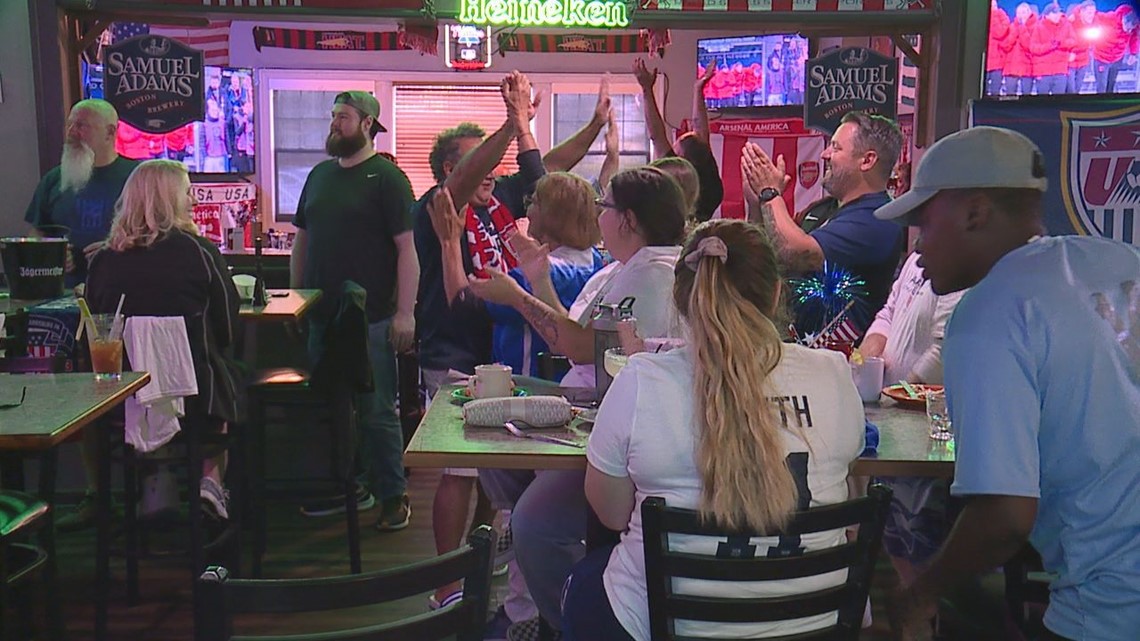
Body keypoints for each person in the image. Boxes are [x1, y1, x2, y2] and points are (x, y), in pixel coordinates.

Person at [875, 126, 1140, 641]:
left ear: (975, 212)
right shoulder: (1119, 261)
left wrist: (918, 594)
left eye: (924, 223)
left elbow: (1004, 516)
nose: (918, 248)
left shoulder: (990, 311)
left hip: (1110, 603)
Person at [560, 219, 865, 641]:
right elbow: (852, 504)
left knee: (587, 578)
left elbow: (612, 516)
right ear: (776, 292)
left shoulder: (640, 383)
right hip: (818, 621)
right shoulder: (834, 376)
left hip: (668, 625)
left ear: (682, 298)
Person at [467, 166, 688, 640]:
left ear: (627, 220)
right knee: (488, 434)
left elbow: (582, 345)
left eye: (604, 205)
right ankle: (525, 549)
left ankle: (559, 620)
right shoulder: (623, 268)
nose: (597, 214)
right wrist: (537, 278)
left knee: (536, 522)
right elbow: (571, 332)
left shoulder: (655, 273)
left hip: (616, 429)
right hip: (590, 408)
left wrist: (517, 297)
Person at [289, 90, 419, 531]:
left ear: (367, 124)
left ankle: (393, 497)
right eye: (332, 116)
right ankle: (350, 489)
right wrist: (295, 298)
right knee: (332, 406)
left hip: (372, 316)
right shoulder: (320, 176)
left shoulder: (387, 178)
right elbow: (301, 241)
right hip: (321, 314)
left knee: (377, 410)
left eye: (343, 117)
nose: (334, 123)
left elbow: (407, 250)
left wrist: (406, 313)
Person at [84, 159, 241, 523]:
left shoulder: (104, 261)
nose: (194, 201)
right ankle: (210, 480)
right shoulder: (199, 252)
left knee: (145, 390)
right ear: (169, 200)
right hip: (198, 399)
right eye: (187, 192)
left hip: (121, 404)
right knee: (222, 370)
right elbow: (229, 328)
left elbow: (93, 329)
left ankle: (156, 480)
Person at [741, 111, 905, 337]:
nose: (825, 154)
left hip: (837, 362)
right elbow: (770, 254)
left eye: (836, 148)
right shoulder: (825, 210)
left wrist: (769, 193)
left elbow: (795, 252)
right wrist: (756, 206)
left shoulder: (879, 219)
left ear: (867, 160)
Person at [859, 250, 966, 586]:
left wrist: (901, 392)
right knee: (894, 525)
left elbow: (944, 348)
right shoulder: (916, 259)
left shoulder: (956, 269)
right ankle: (913, 601)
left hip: (928, 423)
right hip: (893, 417)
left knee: (920, 528)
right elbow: (888, 313)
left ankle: (923, 605)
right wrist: (868, 356)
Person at [480, 172, 605, 378]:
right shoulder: (594, 260)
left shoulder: (536, 275)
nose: (528, 211)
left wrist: (449, 244)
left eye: (534, 202)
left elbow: (471, 305)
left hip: (531, 384)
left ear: (553, 216)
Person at [24, 99, 139, 289]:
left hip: (122, 292)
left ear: (110, 132)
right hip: (61, 294)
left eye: (81, 126)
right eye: (69, 124)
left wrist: (117, 249)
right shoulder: (54, 179)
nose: (71, 133)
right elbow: (37, 232)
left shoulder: (138, 177)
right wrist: (50, 253)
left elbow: (162, 235)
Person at [633, 58, 725, 223]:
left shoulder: (677, 182)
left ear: (682, 161)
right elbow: (701, 132)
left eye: (675, 149)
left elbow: (657, 135)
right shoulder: (712, 186)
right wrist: (698, 89)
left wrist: (647, 89)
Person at [1030, 3, 1076, 95]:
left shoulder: (1066, 25)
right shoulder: (1038, 27)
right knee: (1043, 102)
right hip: (1043, 71)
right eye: (1054, 13)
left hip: (1060, 70)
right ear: (1047, 15)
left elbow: (1074, 41)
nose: (1057, 15)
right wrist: (1049, 46)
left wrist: (1061, 43)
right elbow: (1033, 48)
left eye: (1058, 12)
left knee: (1059, 101)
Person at [1004, 3, 1038, 96]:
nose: (1021, 15)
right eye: (1018, 13)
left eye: (1023, 12)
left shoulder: (1035, 27)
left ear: (1029, 13)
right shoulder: (1012, 26)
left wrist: (1022, 28)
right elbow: (1006, 45)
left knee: (1026, 97)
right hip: (1011, 67)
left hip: (1027, 67)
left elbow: (1029, 46)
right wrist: (1015, 31)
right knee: (1009, 95)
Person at [987, 1, 1016, 95]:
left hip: (997, 63)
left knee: (995, 93)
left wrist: (994, 14)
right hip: (984, 62)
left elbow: (998, 32)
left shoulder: (1001, 15)